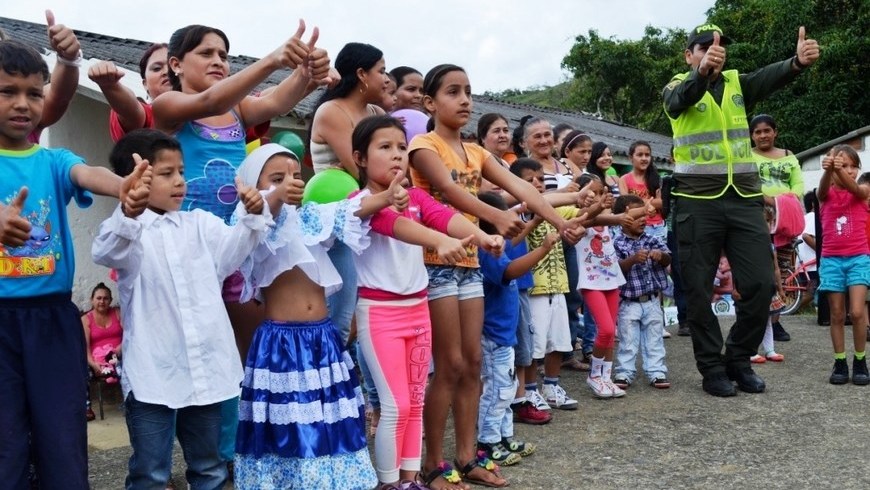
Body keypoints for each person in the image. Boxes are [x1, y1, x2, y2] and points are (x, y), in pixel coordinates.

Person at [409, 64, 576, 490]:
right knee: (449, 366)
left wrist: (561, 222)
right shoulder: (422, 146)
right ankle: (432, 464)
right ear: (430, 102)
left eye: (468, 91)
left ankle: (467, 458)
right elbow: (450, 192)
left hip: (468, 266)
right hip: (434, 263)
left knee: (474, 363)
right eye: (452, 92)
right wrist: (495, 218)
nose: (464, 99)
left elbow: (526, 191)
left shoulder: (476, 152)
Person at [232, 142, 403, 489]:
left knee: (329, 420)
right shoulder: (253, 225)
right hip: (281, 343)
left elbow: (350, 209)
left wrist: (386, 197)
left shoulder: (308, 218)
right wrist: (273, 197)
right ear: (254, 184)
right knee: (293, 423)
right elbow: (256, 224)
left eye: (296, 176)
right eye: (277, 178)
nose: (291, 183)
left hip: (321, 339)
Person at [662, 23, 819, 397]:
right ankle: (712, 369)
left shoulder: (736, 84)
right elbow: (676, 102)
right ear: (689, 55)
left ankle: (738, 358)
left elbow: (768, 78)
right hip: (698, 204)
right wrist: (700, 74)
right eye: (702, 47)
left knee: (762, 285)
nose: (713, 52)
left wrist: (796, 62)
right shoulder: (676, 86)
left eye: (717, 46)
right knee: (699, 291)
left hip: (745, 199)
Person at [350, 116, 500, 490]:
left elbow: (445, 217)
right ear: (360, 158)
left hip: (417, 309)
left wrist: (482, 237)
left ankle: (410, 479)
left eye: (402, 147)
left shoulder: (417, 198)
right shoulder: (360, 204)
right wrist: (437, 241)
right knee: (396, 405)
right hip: (380, 314)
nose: (397, 155)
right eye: (384, 148)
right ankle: (387, 483)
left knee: (415, 402)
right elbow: (392, 224)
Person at [0, 39, 121, 489]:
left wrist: (123, 185)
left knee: (61, 434)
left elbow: (86, 173)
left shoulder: (52, 160)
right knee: (6, 441)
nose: (22, 104)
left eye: (34, 93)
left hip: (52, 319)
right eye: (7, 91)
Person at [476, 191, 550, 466]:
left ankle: (503, 434)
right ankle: (487, 440)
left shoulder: (497, 247)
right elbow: (509, 272)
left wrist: (531, 224)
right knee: (496, 390)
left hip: (503, 335)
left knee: (507, 388)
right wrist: (542, 249)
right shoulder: (487, 252)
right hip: (493, 335)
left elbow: (511, 245)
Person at [816, 145, 870, 385]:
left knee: (857, 312)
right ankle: (840, 361)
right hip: (831, 260)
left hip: (859, 258)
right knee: (837, 314)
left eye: (852, 166)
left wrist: (835, 169)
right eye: (843, 165)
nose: (849, 171)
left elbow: (854, 189)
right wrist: (829, 170)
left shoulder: (864, 190)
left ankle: (860, 360)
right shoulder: (825, 193)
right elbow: (821, 192)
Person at [751, 113, 805, 342]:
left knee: (782, 270)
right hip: (756, 216)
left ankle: (776, 321)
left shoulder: (788, 155)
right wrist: (766, 200)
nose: (763, 135)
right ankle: (755, 323)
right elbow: (746, 183)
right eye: (758, 132)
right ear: (752, 136)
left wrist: (780, 201)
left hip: (785, 220)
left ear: (775, 132)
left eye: (767, 130)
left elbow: (798, 185)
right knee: (757, 271)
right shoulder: (746, 156)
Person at [573, 174, 628, 398]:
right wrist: (598, 207)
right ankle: (595, 375)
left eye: (600, 192)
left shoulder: (608, 217)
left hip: (611, 278)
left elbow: (621, 217)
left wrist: (646, 209)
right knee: (604, 329)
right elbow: (586, 218)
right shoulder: (577, 217)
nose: (597, 197)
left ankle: (606, 377)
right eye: (592, 192)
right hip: (590, 281)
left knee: (611, 332)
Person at [612, 194, 672, 389]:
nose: (642, 220)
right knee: (628, 340)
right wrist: (631, 260)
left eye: (643, 216)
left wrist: (660, 256)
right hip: (628, 301)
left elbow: (668, 259)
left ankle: (656, 371)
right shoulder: (616, 243)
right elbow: (615, 268)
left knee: (654, 338)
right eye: (636, 217)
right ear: (621, 219)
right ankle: (624, 372)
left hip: (653, 299)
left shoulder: (652, 239)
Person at [82, 282, 124, 423]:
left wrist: (119, 349)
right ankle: (86, 407)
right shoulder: (86, 319)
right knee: (81, 369)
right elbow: (85, 348)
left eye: (106, 298)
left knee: (132, 365)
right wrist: (94, 364)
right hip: (96, 360)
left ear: (111, 300)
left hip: (119, 355)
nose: (102, 301)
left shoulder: (117, 313)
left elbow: (130, 336)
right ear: (92, 300)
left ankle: (132, 402)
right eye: (98, 298)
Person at [618, 141, 664, 241]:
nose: (644, 158)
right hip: (636, 227)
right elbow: (626, 206)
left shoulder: (656, 178)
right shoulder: (624, 179)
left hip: (658, 227)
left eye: (647, 155)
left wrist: (636, 202)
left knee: (658, 255)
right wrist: (650, 203)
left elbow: (661, 203)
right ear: (631, 158)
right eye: (639, 155)